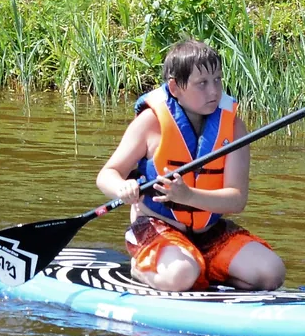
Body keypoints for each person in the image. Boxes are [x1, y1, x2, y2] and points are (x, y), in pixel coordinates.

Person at [94, 38, 286, 292]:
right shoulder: (150, 123)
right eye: (202, 83)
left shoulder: (234, 127)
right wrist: (123, 188)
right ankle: (142, 267)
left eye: (217, 80)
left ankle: (203, 267)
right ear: (175, 88)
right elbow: (107, 175)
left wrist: (188, 196)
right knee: (182, 275)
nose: (214, 91)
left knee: (271, 273)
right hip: (158, 227)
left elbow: (237, 200)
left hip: (210, 233)